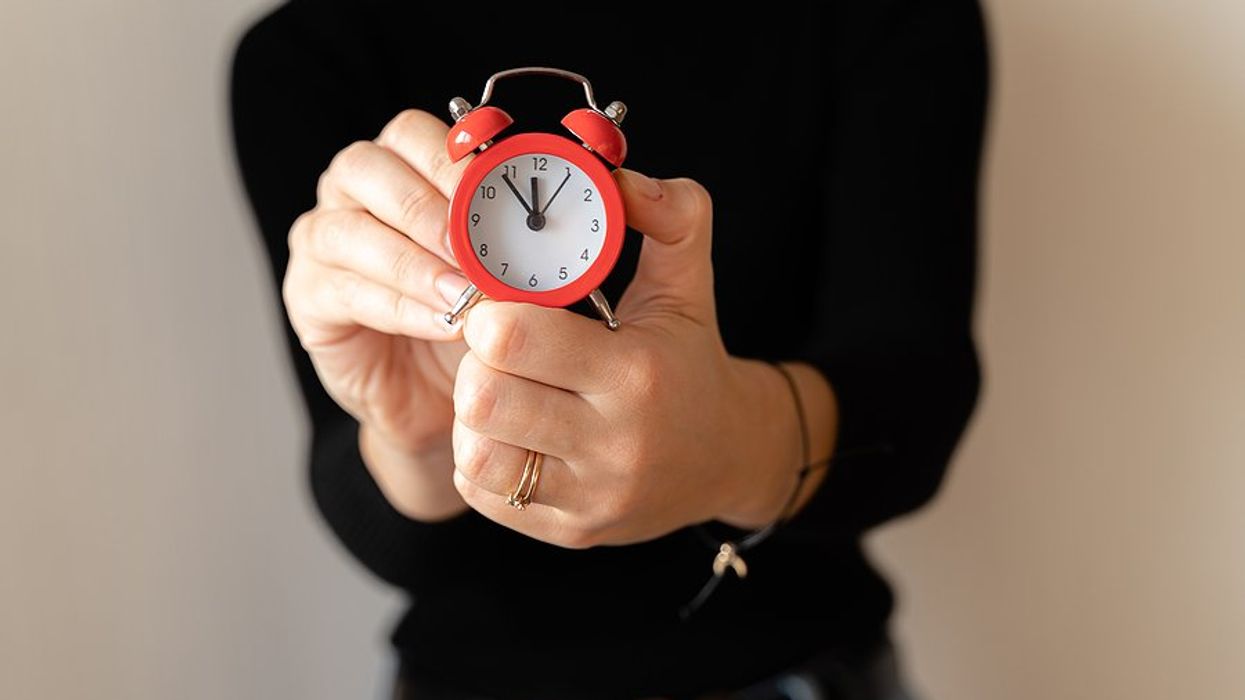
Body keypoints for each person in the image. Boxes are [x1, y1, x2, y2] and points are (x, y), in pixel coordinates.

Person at [230, 2, 986, 698]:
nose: (533, 226)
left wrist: (727, 443)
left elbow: (914, 403)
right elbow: (380, 525)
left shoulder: (883, 16)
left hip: (796, 667)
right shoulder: (306, 55)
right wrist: (420, 436)